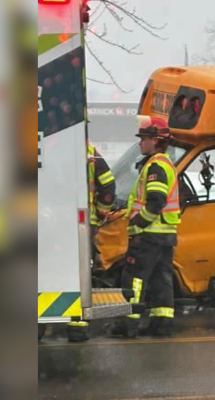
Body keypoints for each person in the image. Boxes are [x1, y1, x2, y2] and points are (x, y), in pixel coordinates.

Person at [111, 115, 181, 338]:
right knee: (162, 280)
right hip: (164, 235)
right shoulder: (162, 164)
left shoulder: (156, 166)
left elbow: (156, 201)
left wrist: (138, 221)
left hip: (149, 234)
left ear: (157, 140)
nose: (140, 142)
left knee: (135, 278)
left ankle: (128, 324)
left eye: (144, 138)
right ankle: (162, 324)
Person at [67, 142, 116, 343]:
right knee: (80, 273)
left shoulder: (46, 144)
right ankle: (77, 323)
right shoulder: (89, 151)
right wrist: (102, 210)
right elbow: (108, 185)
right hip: (83, 223)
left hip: (51, 222)